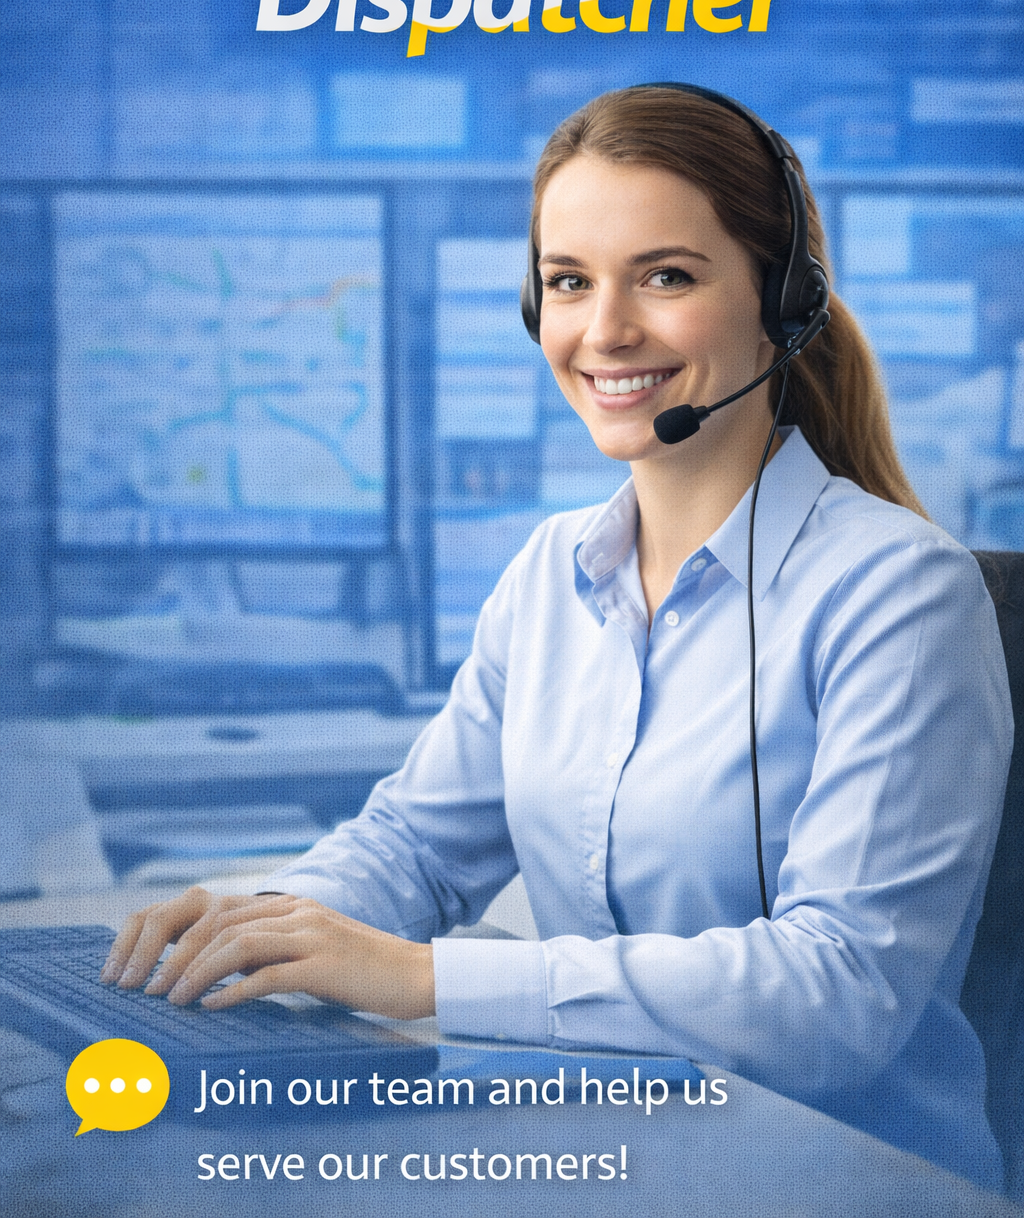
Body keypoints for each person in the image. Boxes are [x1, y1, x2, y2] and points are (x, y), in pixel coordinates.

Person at [101, 85, 1012, 1189]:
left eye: (665, 276)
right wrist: (255, 926)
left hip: (840, 1185)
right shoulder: (550, 574)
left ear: (784, 299)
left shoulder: (899, 594)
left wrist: (424, 979)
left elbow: (838, 995)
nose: (604, 331)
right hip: (615, 1159)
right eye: (570, 281)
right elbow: (415, 849)